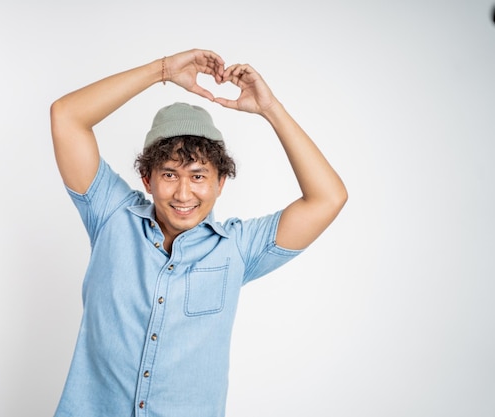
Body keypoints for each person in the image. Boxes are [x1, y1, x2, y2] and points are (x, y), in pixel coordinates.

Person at [50, 48, 347, 417]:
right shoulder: (112, 215)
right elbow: (66, 116)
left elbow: (328, 197)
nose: (183, 194)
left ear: (221, 182)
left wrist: (270, 109)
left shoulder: (237, 248)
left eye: (199, 176)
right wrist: (162, 70)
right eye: (170, 174)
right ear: (147, 178)